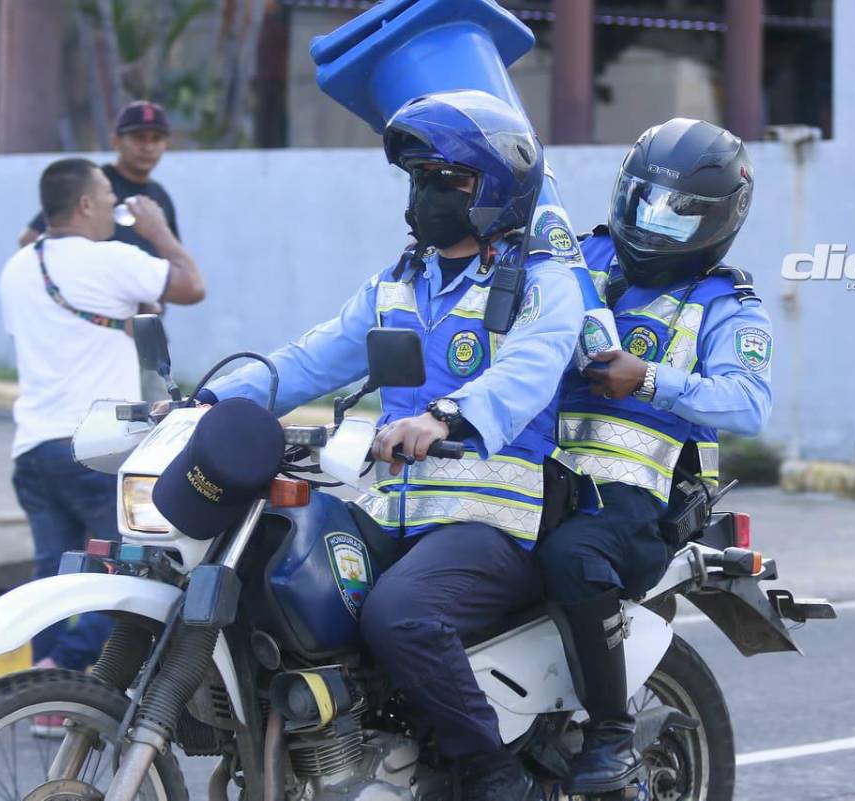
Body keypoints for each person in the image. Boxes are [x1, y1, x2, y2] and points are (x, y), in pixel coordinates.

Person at [196, 90, 582, 801]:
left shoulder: (542, 283)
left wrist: (447, 416)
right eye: (420, 177)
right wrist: (210, 401)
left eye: (448, 179)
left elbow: (530, 367)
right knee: (279, 571)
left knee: (401, 614)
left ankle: (495, 775)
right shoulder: (396, 285)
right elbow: (308, 360)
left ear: (496, 190)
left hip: (490, 523)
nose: (428, 193)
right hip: (393, 512)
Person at [535, 118, 772, 796]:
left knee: (572, 558)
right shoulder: (578, 257)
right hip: (537, 474)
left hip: (634, 503)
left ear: (719, 222)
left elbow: (749, 403)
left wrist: (648, 379)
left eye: (676, 215)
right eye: (644, 203)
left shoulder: (725, 304)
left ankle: (611, 734)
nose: (652, 223)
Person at [0, 158, 205, 680]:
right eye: (108, 198)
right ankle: (62, 665)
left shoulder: (17, 267)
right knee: (129, 569)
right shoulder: (110, 259)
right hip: (97, 448)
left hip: (33, 449)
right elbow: (191, 286)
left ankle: (45, 691)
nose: (115, 206)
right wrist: (158, 231)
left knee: (52, 576)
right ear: (86, 204)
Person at [18, 100, 180, 254]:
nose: (148, 147)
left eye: (156, 139)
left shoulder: (160, 195)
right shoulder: (90, 184)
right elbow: (30, 238)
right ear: (116, 141)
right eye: (139, 137)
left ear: (166, 144)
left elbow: (173, 252)